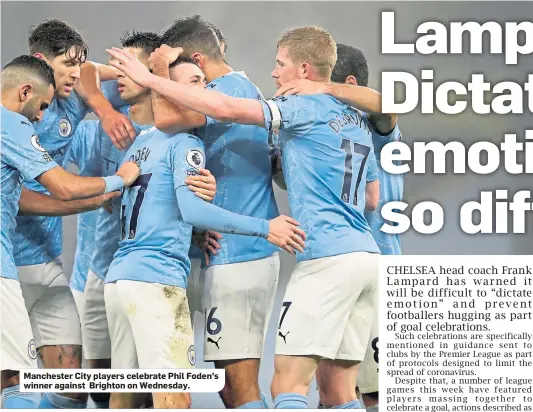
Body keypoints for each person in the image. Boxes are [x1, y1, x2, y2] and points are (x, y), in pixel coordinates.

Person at [107, 24, 391, 409]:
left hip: (307, 256)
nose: (273, 73)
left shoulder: (285, 103)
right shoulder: (354, 118)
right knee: (339, 391)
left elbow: (217, 110)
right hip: (366, 254)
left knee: (282, 386)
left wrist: (150, 76)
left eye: (280, 64)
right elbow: (370, 194)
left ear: (305, 70)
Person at [104, 41, 305, 410]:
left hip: (119, 278)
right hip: (156, 279)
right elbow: (191, 210)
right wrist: (264, 226)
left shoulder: (135, 147)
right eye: (191, 83)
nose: (202, 91)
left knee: (126, 396)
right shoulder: (184, 144)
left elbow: (133, 204)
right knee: (174, 398)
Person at [147, 16, 281, 409]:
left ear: (197, 62)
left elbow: (165, 119)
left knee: (238, 388)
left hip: (239, 253)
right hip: (241, 252)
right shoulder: (246, 88)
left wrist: (157, 71)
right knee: (231, 386)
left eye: (182, 74)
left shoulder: (224, 90)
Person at [12, 19, 137, 410]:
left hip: (45, 260)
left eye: (76, 65)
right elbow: (41, 193)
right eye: (65, 64)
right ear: (39, 62)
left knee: (71, 387)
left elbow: (103, 73)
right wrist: (110, 188)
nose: (74, 74)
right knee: (14, 382)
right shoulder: (10, 113)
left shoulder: (72, 96)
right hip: (7, 264)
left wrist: (100, 105)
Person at [316, 44, 403, 411]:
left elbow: (385, 107)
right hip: (336, 269)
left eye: (322, 83)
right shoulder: (324, 133)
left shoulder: (376, 131)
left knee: (376, 394)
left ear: (348, 84)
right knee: (332, 392)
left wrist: (320, 88)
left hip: (380, 269)